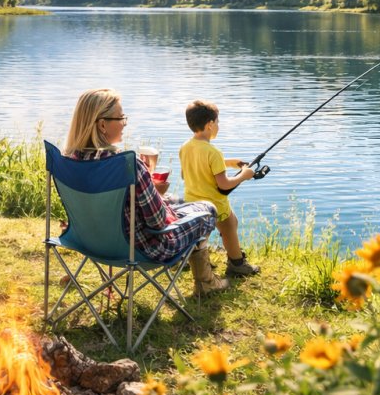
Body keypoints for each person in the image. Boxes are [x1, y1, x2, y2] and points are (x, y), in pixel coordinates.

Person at [64, 88, 225, 296]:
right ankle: (205, 282)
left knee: (179, 199)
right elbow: (158, 222)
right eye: (121, 117)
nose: (125, 122)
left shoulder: (69, 160)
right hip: (139, 249)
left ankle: (198, 270)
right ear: (102, 124)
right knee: (207, 209)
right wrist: (151, 188)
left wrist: (146, 188)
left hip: (88, 241)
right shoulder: (128, 164)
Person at [179, 99, 262, 279]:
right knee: (230, 226)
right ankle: (237, 264)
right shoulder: (213, 152)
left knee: (201, 233)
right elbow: (224, 184)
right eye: (217, 122)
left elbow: (187, 173)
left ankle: (189, 258)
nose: (218, 125)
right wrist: (244, 175)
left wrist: (230, 163)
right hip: (215, 204)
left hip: (192, 203)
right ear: (210, 124)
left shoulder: (185, 147)